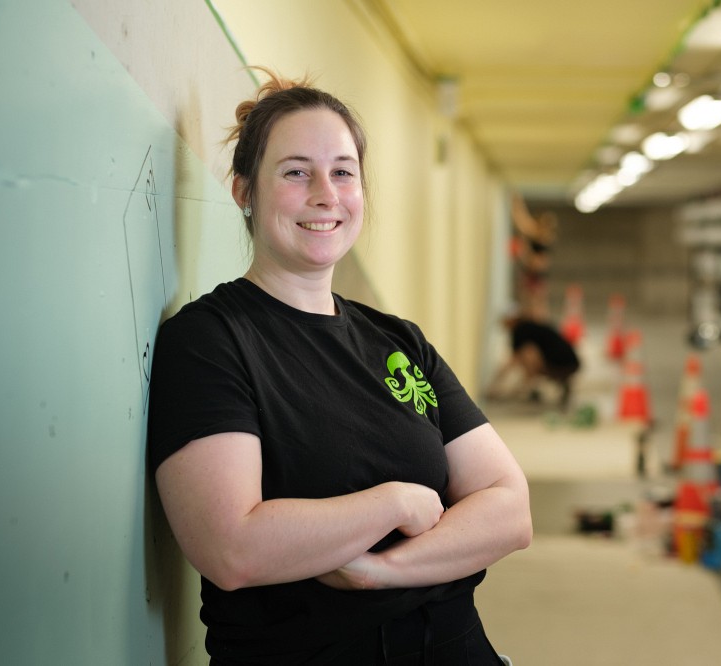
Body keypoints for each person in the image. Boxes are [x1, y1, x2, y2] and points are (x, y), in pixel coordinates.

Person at [147, 68, 532, 665]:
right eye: (296, 172)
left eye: (343, 172)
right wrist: (395, 503)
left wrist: (380, 571)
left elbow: (510, 509)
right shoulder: (209, 341)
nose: (326, 193)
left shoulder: (398, 341)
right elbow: (232, 548)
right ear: (244, 192)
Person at [485, 313, 581, 410]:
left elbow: (512, 361)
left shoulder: (520, 330)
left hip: (563, 363)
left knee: (527, 356)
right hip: (572, 362)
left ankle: (529, 389)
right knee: (529, 356)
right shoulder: (531, 327)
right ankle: (533, 387)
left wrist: (496, 385)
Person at [509, 194, 557, 321]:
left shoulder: (541, 236)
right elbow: (522, 221)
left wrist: (517, 204)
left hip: (535, 275)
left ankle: (535, 324)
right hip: (534, 274)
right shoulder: (538, 234)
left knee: (535, 304)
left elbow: (522, 223)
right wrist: (517, 203)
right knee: (533, 304)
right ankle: (533, 323)